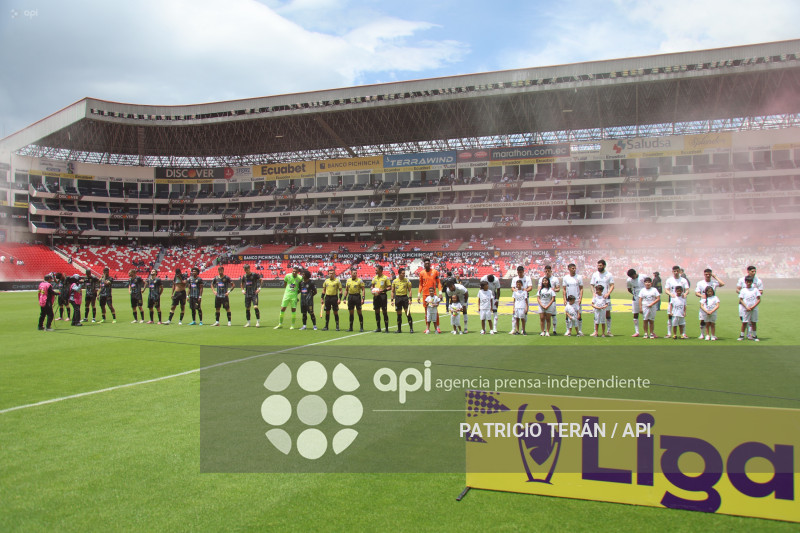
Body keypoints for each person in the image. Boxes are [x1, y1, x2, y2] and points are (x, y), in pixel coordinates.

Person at [695, 268, 725, 339]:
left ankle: (712, 335)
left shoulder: (714, 282)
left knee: (711, 321)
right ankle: (702, 334)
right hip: (704, 302)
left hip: (712, 302)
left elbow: (722, 284)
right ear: (704, 274)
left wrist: (715, 277)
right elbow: (696, 293)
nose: (708, 275)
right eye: (706, 274)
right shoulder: (700, 283)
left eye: (709, 274)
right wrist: (702, 295)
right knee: (702, 319)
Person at [736, 266, 763, 339]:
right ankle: (743, 334)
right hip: (744, 304)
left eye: (755, 271)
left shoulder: (758, 281)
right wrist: (743, 293)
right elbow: (737, 289)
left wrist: (754, 293)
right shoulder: (742, 280)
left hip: (752, 303)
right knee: (743, 319)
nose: (754, 273)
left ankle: (750, 334)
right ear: (748, 271)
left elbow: (761, 292)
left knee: (752, 320)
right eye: (752, 271)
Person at [589, 260, 614, 336]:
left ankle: (608, 331)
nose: (599, 267)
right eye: (598, 265)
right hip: (597, 297)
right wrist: (593, 293)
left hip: (605, 297)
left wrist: (608, 293)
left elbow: (612, 285)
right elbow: (592, 285)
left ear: (604, 266)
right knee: (596, 314)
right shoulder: (595, 274)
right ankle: (595, 331)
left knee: (607, 313)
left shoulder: (609, 274)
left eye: (600, 265)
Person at [664, 265, 689, 338]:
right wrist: (670, 294)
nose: (676, 272)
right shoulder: (669, 280)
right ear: (672, 272)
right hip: (672, 300)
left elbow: (687, 289)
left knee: (682, 316)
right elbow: (666, 290)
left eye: (677, 271)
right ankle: (669, 333)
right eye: (674, 271)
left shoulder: (683, 280)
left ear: (680, 271)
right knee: (670, 315)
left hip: (681, 300)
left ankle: (683, 333)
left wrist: (685, 294)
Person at [417, 258, 442, 332]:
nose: (427, 264)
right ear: (424, 264)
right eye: (426, 263)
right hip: (425, 294)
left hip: (433, 294)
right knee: (426, 312)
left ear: (430, 264)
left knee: (435, 311)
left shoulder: (435, 272)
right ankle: (427, 328)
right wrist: (419, 294)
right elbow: (420, 284)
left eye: (428, 263)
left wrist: (440, 293)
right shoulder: (421, 273)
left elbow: (439, 283)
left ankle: (437, 327)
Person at [275, 265, 301, 329]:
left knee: (293, 310)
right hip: (286, 295)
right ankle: (280, 324)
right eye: (293, 271)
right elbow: (285, 284)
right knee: (282, 309)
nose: (294, 272)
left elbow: (300, 288)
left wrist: (296, 294)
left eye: (295, 271)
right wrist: (288, 290)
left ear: (298, 272)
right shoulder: (287, 276)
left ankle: (292, 325)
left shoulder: (300, 278)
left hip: (294, 296)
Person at [561, 263, 584, 336]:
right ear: (569, 269)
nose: (574, 270)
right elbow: (564, 289)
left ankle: (579, 331)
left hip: (577, 299)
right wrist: (564, 299)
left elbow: (581, 289)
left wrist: (580, 298)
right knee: (568, 315)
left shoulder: (579, 277)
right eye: (572, 268)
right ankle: (568, 330)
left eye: (575, 268)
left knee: (578, 315)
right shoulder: (565, 278)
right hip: (569, 300)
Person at [537, 265, 560, 335]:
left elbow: (558, 289)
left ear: (551, 271)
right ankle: (543, 330)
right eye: (546, 271)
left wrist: (554, 290)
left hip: (551, 300)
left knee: (553, 315)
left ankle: (554, 330)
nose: (547, 272)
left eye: (548, 271)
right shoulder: (541, 279)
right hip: (543, 299)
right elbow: (539, 288)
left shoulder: (555, 279)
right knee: (543, 316)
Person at [510, 265, 533, 334]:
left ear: (523, 271)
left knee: (524, 315)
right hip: (517, 298)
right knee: (514, 316)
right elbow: (512, 288)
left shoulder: (527, 278)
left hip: (524, 298)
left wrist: (525, 290)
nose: (519, 274)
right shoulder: (514, 279)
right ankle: (514, 329)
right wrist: (516, 290)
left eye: (521, 272)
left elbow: (530, 287)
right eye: (518, 272)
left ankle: (523, 329)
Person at [391, 267, 414, 333]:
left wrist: (410, 299)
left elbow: (410, 290)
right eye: (403, 273)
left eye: (404, 273)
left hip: (404, 298)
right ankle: (399, 329)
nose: (404, 274)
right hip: (397, 298)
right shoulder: (395, 281)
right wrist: (392, 300)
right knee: (399, 314)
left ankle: (411, 329)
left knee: (408, 313)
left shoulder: (407, 281)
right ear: (399, 274)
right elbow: (392, 291)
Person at [738, 276, 760, 342]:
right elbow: (741, 300)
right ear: (745, 282)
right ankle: (741, 335)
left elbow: (758, 299)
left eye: (750, 282)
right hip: (746, 309)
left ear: (752, 282)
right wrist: (746, 307)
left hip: (754, 309)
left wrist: (753, 306)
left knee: (753, 322)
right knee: (744, 322)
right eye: (747, 282)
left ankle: (755, 336)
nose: (749, 283)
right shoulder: (743, 290)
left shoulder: (755, 290)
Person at [370, 264, 391, 333]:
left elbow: (389, 287)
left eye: (376, 270)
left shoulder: (385, 278)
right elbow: (372, 286)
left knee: (384, 312)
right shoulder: (374, 278)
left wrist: (383, 290)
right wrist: (372, 289)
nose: (375, 271)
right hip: (376, 297)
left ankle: (386, 328)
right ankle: (378, 328)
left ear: (381, 270)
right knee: (377, 312)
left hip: (382, 296)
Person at [344, 267, 366, 332]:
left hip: (357, 297)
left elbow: (363, 290)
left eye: (356, 273)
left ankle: (361, 327)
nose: (355, 274)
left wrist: (363, 298)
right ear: (351, 273)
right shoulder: (348, 280)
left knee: (359, 312)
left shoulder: (359, 280)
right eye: (353, 273)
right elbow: (346, 290)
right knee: (351, 312)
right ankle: (351, 327)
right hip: (350, 297)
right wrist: (344, 298)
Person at [626, 268, 645, 337]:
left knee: (646, 315)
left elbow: (649, 284)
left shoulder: (643, 277)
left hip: (644, 299)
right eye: (630, 277)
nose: (632, 278)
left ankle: (648, 331)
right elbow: (628, 289)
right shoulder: (629, 280)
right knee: (635, 314)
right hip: (635, 299)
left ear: (635, 273)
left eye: (632, 276)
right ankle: (637, 332)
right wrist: (634, 294)